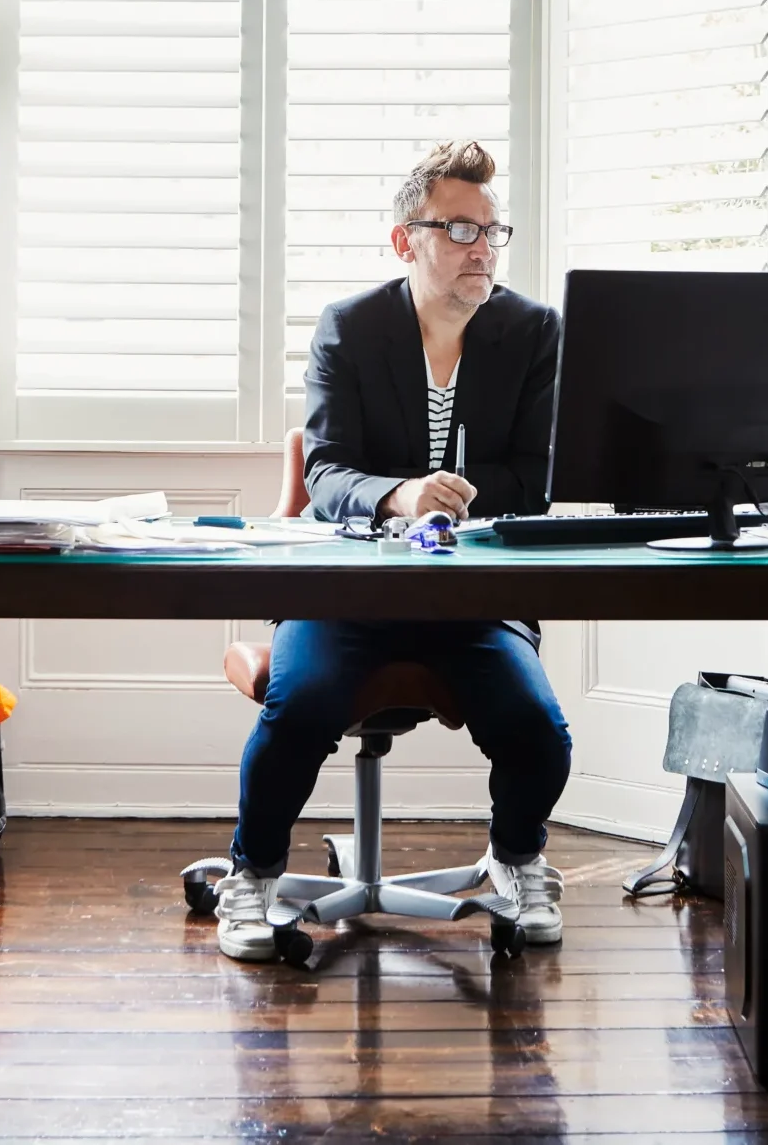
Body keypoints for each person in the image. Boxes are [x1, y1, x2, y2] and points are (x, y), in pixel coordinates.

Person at [214, 140, 573, 962]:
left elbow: (534, 477)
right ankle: (254, 876)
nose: (480, 246)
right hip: (351, 591)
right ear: (404, 240)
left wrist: (457, 493)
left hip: (473, 595)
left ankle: (517, 859)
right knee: (298, 708)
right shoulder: (353, 326)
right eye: (456, 228)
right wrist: (399, 494)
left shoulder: (530, 331)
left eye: (490, 230)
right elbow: (327, 468)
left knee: (537, 729)